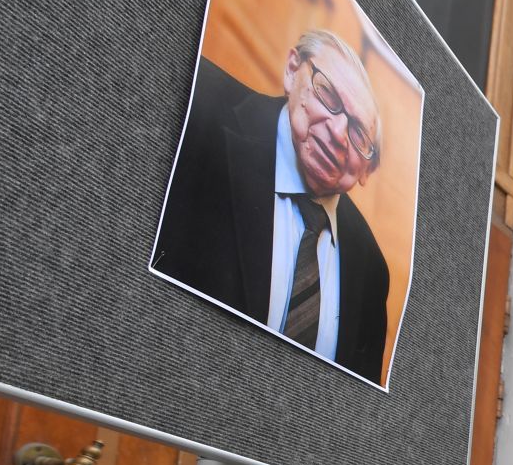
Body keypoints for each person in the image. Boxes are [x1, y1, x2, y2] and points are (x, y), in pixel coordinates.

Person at [153, 29, 392, 385]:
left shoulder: (372, 271)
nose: (339, 133)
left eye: (359, 133)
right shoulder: (197, 108)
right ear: (292, 71)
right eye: (328, 94)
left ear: (367, 171)